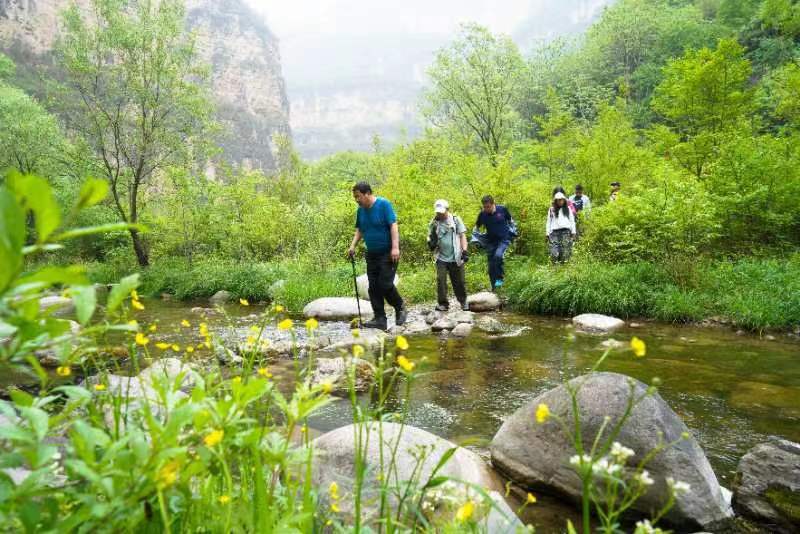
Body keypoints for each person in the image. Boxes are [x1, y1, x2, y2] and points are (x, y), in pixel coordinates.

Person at [347, 182, 407, 330]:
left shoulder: (383, 204)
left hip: (388, 252)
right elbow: (360, 229)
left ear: (367, 193)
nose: (357, 200)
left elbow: (393, 225)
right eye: (355, 197)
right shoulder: (361, 210)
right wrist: (353, 245)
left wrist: (395, 247)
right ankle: (380, 319)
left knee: (385, 284)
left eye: (358, 196)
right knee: (373, 287)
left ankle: (400, 307)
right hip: (372, 253)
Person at [427, 199, 469, 311]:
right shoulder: (434, 223)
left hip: (456, 256)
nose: (439, 214)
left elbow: (462, 235)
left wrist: (464, 251)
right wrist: (431, 243)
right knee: (441, 280)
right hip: (441, 257)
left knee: (459, 281)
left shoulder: (456, 220)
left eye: (442, 212)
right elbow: (430, 238)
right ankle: (443, 304)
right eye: (438, 212)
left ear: (447, 209)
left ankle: (463, 302)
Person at [474, 195, 514, 291]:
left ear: (493, 204)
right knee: (491, 266)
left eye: (488, 207)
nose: (486, 209)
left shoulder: (502, 209)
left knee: (498, 256)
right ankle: (495, 288)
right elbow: (477, 226)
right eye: (484, 207)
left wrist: (513, 231)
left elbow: (510, 220)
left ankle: (500, 281)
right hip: (490, 242)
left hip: (504, 240)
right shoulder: (482, 214)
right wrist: (476, 237)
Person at [546, 192, 576, 263]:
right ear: (555, 201)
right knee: (554, 252)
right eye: (558, 200)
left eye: (561, 199)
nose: (560, 201)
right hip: (554, 233)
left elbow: (572, 221)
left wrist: (573, 232)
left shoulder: (568, 209)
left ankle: (563, 268)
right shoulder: (551, 209)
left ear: (564, 200)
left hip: (566, 232)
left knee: (565, 252)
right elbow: (548, 222)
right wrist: (547, 233)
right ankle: (554, 267)